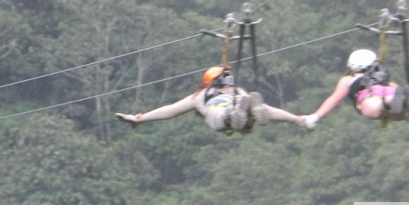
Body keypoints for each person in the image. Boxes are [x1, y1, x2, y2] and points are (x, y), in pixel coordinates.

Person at [301, 49, 409, 129]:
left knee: (377, 105)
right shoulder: (382, 79)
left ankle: (387, 103)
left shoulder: (348, 79)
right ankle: (392, 102)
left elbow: (334, 99)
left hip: (368, 101)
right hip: (387, 94)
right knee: (399, 99)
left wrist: (316, 117)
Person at [115, 66, 311, 134]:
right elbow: (170, 111)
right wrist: (298, 120)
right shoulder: (227, 91)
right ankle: (241, 114)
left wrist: (140, 119)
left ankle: (238, 115)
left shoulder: (200, 96)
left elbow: (170, 111)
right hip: (229, 111)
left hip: (225, 116)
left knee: (229, 112)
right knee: (254, 109)